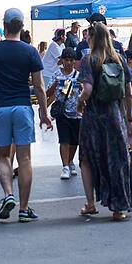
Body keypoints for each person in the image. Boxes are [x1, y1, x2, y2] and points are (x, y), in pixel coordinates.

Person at [0, 8, 51, 223]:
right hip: (22, 106)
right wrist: (44, 112)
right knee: (25, 158)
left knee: (3, 156)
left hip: (0, 107)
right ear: (22, 27)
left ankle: (8, 194)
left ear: (4, 26)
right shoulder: (30, 51)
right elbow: (39, 86)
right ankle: (24, 208)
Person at [76, 22, 132, 221]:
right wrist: (129, 117)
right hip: (116, 117)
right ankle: (119, 208)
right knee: (117, 159)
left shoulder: (88, 60)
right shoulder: (120, 59)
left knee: (86, 158)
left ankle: (90, 203)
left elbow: (87, 90)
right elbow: (129, 93)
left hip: (94, 118)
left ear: (92, 37)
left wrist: (79, 102)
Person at [46, 47, 81, 180]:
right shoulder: (56, 75)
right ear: (62, 60)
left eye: (71, 60)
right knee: (64, 140)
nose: (69, 63)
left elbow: (85, 93)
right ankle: (65, 166)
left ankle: (70, 161)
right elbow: (48, 93)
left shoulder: (78, 75)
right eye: (66, 60)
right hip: (62, 113)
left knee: (74, 141)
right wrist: (55, 84)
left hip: (77, 113)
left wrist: (81, 86)